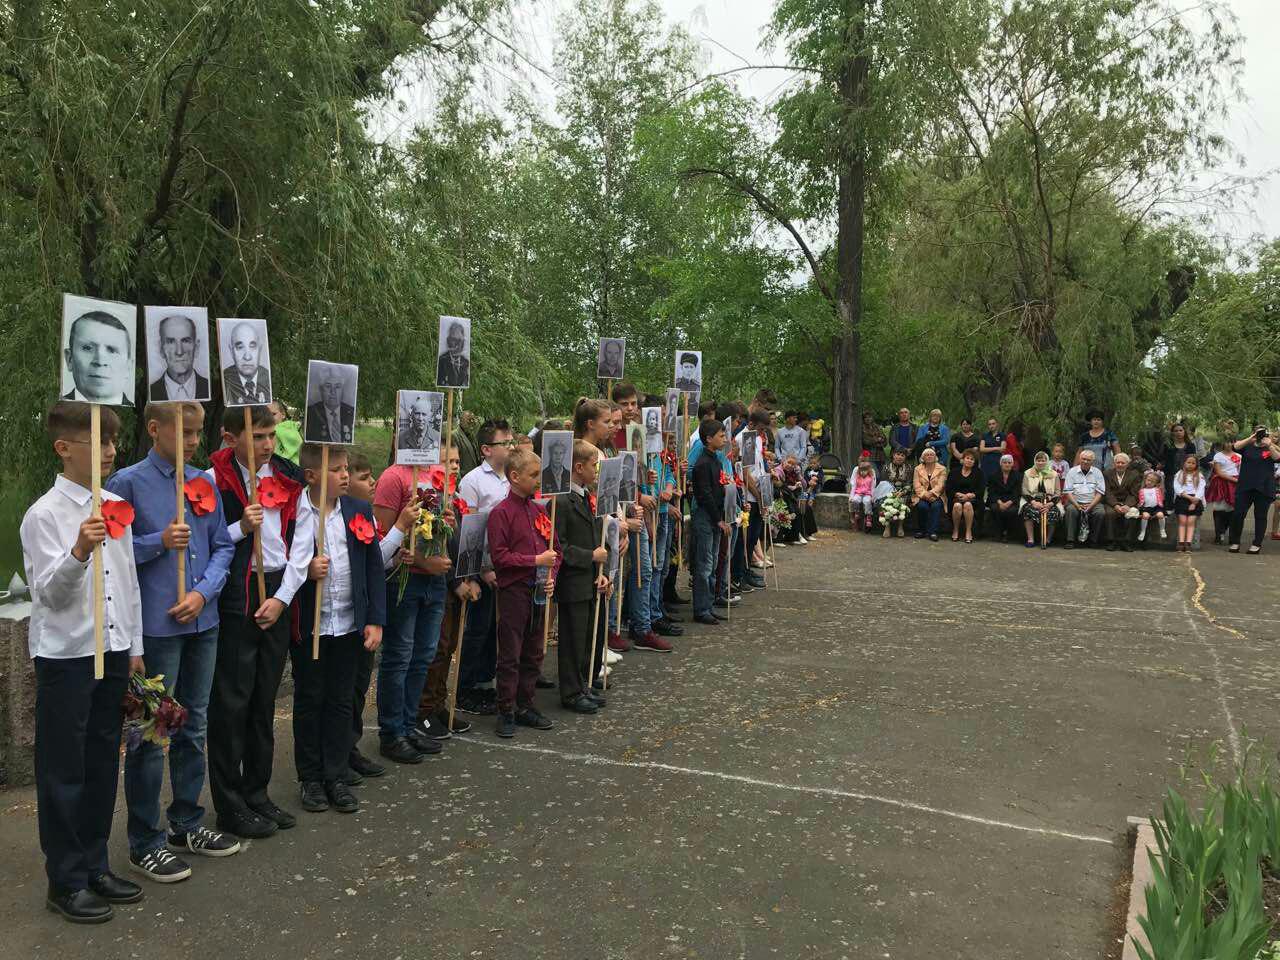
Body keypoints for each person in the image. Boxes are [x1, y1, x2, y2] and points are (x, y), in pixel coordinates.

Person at [105, 402, 239, 883]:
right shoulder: (127, 483)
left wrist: (204, 592)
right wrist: (158, 540)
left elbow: (223, 543)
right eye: (184, 433)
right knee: (148, 734)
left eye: (198, 434)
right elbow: (112, 554)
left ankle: (187, 822)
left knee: (194, 725)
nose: (192, 443)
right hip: (155, 630)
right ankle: (146, 839)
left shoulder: (203, 481)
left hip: (202, 625)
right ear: (155, 429)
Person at [22, 402, 145, 923]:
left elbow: (128, 583)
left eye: (114, 440)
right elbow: (46, 595)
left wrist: (135, 646)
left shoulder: (115, 505)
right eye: (99, 441)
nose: (111, 449)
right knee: (63, 770)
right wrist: (77, 551)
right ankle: (65, 880)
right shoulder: (44, 515)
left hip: (112, 650)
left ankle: (95, 863)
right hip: (67, 656)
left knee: (101, 762)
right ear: (64, 447)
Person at [207, 405, 307, 839]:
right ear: (232, 438)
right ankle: (229, 803)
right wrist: (237, 528)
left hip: (278, 589)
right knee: (233, 699)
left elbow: (302, 541)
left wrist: (283, 599)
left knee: (265, 697)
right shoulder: (213, 479)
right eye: (258, 436)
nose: (267, 445)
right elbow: (205, 543)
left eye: (271, 435)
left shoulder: (286, 475)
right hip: (238, 590)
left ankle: (257, 791)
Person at [291, 444, 386, 813]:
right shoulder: (296, 511)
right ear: (312, 475)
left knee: (341, 700)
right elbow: (284, 562)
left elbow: (373, 567)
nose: (346, 475)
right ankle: (311, 778)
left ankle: (335, 774)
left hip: (348, 623)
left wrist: (375, 618)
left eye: (348, 469)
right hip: (312, 625)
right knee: (310, 699)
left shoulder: (358, 510)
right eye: (337, 470)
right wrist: (305, 574)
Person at [487, 448, 560, 737]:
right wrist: (534, 562)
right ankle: (506, 708)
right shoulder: (500, 514)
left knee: (534, 651)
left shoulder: (538, 510)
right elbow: (500, 557)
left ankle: (526, 704)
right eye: (533, 475)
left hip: (540, 589)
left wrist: (551, 575)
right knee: (510, 653)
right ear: (515, 477)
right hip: (514, 591)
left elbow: (556, 552)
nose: (538, 481)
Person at [454, 419, 514, 715]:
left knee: (494, 628)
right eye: (506, 443)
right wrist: (480, 570)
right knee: (477, 628)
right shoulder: (473, 481)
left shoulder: (510, 479)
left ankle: (484, 681)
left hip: (506, 565)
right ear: (487, 449)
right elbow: (470, 531)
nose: (511, 446)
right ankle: (463, 687)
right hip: (482, 567)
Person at [554, 440, 612, 713]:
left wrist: (602, 571)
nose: (597, 470)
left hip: (591, 579)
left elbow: (597, 536)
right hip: (573, 580)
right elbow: (560, 546)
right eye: (593, 465)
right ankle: (571, 691)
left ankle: (583, 683)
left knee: (590, 634)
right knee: (573, 639)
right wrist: (590, 557)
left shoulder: (588, 496)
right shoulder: (562, 501)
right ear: (578, 467)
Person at [690, 419, 729, 624]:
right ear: (708, 438)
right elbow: (705, 494)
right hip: (705, 516)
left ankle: (709, 604)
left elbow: (719, 488)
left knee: (712, 563)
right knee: (704, 565)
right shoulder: (702, 463)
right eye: (721, 436)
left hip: (715, 516)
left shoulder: (716, 460)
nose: (724, 439)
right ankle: (701, 608)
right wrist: (718, 519)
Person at [63, 310, 135, 405]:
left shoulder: (141, 418)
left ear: (128, 367)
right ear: (69, 359)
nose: (100, 361)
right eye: (88, 348)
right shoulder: (54, 414)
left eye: (112, 350)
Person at [1227, 425, 1276, 554]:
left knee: (1260, 516)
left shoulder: (1270, 447)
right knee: (1238, 514)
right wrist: (1251, 438)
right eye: (1257, 432)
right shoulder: (1247, 446)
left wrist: (1270, 445)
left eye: (1262, 433)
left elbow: (1277, 458)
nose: (1260, 435)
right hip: (1245, 485)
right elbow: (1235, 447)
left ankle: (1257, 544)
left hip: (1263, 487)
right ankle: (1235, 541)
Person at [148, 314, 209, 401]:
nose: (179, 352)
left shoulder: (211, 390)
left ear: (196, 347)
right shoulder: (150, 393)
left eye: (185, 341)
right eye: (170, 342)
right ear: (161, 348)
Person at [1062, 449, 1106, 548]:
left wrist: (1090, 505)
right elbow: (1068, 492)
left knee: (1100, 512)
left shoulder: (1097, 472)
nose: (1085, 461)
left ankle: (1093, 540)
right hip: (1074, 502)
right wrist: (1077, 505)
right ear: (1079, 459)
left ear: (1092, 461)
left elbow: (1099, 493)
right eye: (1083, 459)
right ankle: (1070, 540)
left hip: (1093, 502)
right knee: (1070, 510)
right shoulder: (1072, 472)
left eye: (1088, 460)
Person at [221, 321, 272, 405]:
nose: (247, 357)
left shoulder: (268, 379)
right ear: (231, 351)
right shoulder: (224, 381)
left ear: (260, 349)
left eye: (252, 346)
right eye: (240, 347)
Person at [304, 364, 355, 444]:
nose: (333, 392)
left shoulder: (351, 412)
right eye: (328, 386)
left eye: (337, 387)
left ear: (342, 390)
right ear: (321, 390)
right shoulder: (311, 413)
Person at [1020, 451, 1060, 548]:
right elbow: (1024, 490)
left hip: (1050, 500)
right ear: (1035, 461)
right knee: (1027, 510)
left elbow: (1058, 492)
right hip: (1032, 499)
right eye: (1038, 460)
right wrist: (1033, 502)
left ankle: (1047, 539)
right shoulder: (1028, 473)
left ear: (1047, 461)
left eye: (1043, 460)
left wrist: (1050, 504)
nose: (1040, 463)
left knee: (1054, 512)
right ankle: (1030, 539)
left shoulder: (1054, 474)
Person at [1206, 430, 1240, 544]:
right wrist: (1235, 480)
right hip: (1221, 483)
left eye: (1231, 442)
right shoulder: (1218, 456)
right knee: (1219, 509)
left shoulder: (1239, 456)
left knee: (1232, 509)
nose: (1229, 444)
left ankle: (1224, 531)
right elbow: (1219, 472)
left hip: (1234, 485)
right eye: (1226, 442)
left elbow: (1240, 471)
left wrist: (1238, 480)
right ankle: (1218, 534)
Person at [1103, 452, 1141, 551]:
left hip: (1128, 502)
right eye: (1117, 462)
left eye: (1122, 463)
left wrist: (1127, 505)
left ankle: (1126, 542)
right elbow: (1107, 492)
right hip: (1112, 502)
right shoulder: (1107, 473)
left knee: (1133, 514)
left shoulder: (1134, 475)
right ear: (1114, 463)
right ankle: (1111, 541)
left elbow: (1134, 493)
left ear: (1127, 464)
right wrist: (1115, 505)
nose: (1120, 465)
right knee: (1110, 513)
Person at [946, 448, 984, 543]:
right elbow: (948, 488)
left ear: (974, 462)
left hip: (973, 500)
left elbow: (981, 490)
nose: (969, 460)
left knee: (967, 505)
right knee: (957, 506)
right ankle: (955, 530)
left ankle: (968, 531)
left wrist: (971, 495)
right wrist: (956, 493)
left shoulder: (979, 473)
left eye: (972, 459)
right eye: (967, 458)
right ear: (962, 459)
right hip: (956, 498)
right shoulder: (954, 472)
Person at [1172, 454, 1206, 553]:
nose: (1190, 465)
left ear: (1196, 465)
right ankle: (1181, 543)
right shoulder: (1179, 474)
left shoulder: (1199, 475)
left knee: (1191, 522)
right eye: (1188, 462)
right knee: (1182, 522)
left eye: (1193, 463)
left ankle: (1188, 543)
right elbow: (1177, 488)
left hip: (1195, 500)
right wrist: (1188, 497)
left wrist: (1194, 502)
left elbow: (1201, 489)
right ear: (1184, 463)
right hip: (1183, 499)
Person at [911, 447, 946, 541]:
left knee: (936, 506)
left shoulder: (942, 469)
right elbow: (916, 485)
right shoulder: (917, 469)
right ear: (923, 458)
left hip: (937, 495)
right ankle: (922, 530)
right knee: (922, 506)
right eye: (927, 455)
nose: (930, 456)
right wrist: (925, 495)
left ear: (935, 457)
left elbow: (941, 485)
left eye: (932, 454)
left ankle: (933, 532)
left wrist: (932, 494)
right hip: (922, 495)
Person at [986, 454, 1021, 541]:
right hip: (997, 500)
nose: (1007, 464)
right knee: (995, 509)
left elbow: (1018, 492)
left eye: (1009, 462)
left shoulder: (1018, 476)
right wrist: (1000, 502)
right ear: (1001, 464)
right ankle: (998, 533)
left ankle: (1008, 533)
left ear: (1012, 464)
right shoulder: (993, 476)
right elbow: (991, 492)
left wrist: (1009, 502)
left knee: (1011, 511)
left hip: (1012, 500)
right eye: (1005, 462)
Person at [436, 319, 470, 387]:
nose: (457, 344)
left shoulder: (466, 362)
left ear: (463, 342)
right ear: (448, 341)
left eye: (460, 340)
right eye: (454, 339)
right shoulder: (442, 360)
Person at [1136, 470, 1167, 545]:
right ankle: (1143, 531)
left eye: (1152, 481)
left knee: (1160, 515)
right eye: (1148, 480)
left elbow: (1162, 486)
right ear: (1145, 480)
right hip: (1146, 508)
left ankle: (1162, 529)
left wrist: (1161, 477)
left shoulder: (1158, 490)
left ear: (1156, 483)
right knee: (1145, 515)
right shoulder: (1142, 490)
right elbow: (1141, 501)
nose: (1149, 482)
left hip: (1156, 508)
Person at [848, 456, 876, 532]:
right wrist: (851, 496)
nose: (863, 472)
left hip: (867, 493)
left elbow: (873, 487)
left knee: (867, 501)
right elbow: (853, 485)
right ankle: (856, 513)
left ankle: (868, 516)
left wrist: (873, 497)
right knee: (855, 500)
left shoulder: (871, 475)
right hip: (858, 492)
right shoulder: (857, 473)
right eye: (861, 461)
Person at [270, 400, 302, 465]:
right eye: (266, 414)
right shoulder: (290, 427)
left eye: (273, 414)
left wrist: (276, 462)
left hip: (287, 468)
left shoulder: (279, 428)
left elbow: (294, 444)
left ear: (283, 415)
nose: (269, 417)